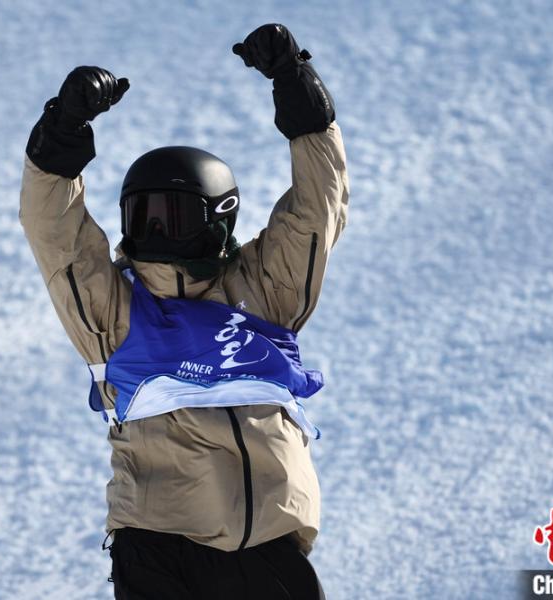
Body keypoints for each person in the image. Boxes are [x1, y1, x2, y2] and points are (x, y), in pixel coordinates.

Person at [20, 23, 348, 600]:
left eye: (173, 216)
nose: (154, 232)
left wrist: (298, 87)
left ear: (217, 221)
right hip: (159, 547)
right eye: (142, 216)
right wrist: (62, 131)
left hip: (269, 546)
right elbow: (56, 234)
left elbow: (317, 210)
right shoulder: (117, 315)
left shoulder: (265, 293)